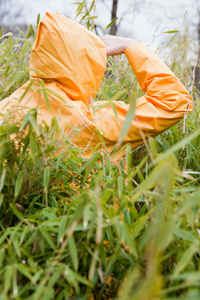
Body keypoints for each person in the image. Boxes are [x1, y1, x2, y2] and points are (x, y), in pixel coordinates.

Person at [0, 12, 193, 160]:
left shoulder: (7, 107)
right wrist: (132, 46)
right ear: (85, 64)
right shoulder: (87, 121)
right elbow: (174, 100)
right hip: (88, 213)